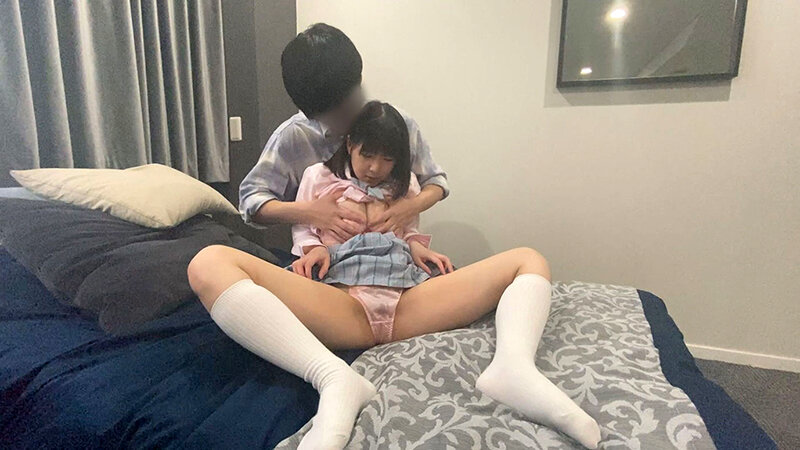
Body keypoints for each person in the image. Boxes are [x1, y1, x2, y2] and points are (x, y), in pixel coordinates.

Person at [188, 100, 602, 449]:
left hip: (407, 301)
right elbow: (302, 228)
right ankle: (334, 377)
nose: (375, 168)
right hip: (343, 303)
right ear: (350, 143)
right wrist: (314, 248)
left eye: (387, 159)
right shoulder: (318, 176)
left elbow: (408, 231)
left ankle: (514, 367)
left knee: (528, 259)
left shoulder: (406, 185)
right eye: (368, 154)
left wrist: (419, 247)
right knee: (208, 262)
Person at [238, 23, 449, 241]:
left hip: (393, 251)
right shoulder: (294, 136)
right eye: (329, 117)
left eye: (348, 109)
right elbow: (250, 201)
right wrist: (309, 212)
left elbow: (435, 181)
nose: (343, 124)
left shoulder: (397, 124)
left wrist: (410, 207)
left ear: (359, 82)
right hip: (326, 254)